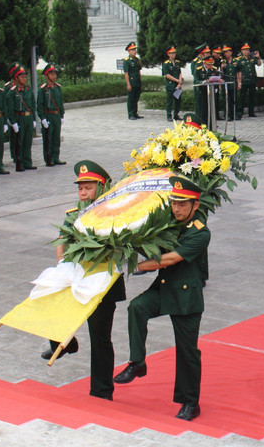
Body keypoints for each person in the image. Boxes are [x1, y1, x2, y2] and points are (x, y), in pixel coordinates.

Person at [114, 176, 210, 422]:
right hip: (165, 287)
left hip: (186, 296)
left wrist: (136, 265)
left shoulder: (201, 233)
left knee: (187, 352)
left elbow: (171, 259)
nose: (176, 208)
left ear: (195, 205)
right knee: (137, 307)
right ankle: (137, 362)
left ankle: (190, 403)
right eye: (173, 203)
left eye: (182, 204)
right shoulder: (169, 222)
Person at [43, 160, 126, 401]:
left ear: (102, 187)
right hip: (77, 276)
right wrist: (61, 264)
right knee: (50, 300)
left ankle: (101, 390)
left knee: (100, 336)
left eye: (88, 188)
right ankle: (63, 342)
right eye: (80, 188)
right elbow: (62, 239)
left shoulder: (116, 214)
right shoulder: (74, 213)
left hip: (102, 282)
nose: (83, 193)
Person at [37, 64, 65, 167]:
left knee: (56, 138)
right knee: (48, 138)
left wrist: (62, 115)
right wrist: (43, 119)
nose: (54, 76)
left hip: (56, 116)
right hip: (48, 115)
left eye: (54, 74)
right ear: (46, 75)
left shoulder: (58, 88)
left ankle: (56, 157)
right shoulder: (43, 90)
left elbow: (60, 103)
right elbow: (39, 105)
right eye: (51, 74)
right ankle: (49, 159)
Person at [237, 44, 261, 119]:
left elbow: (259, 64)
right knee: (242, 97)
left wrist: (258, 57)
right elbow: (238, 71)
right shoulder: (240, 60)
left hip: (252, 80)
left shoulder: (252, 58)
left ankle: (251, 112)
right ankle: (240, 112)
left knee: (252, 97)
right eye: (245, 50)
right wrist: (239, 82)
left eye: (248, 50)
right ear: (242, 51)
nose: (247, 51)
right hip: (244, 81)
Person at [123, 42, 143, 120]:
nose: (134, 51)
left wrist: (140, 81)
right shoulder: (127, 61)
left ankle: (135, 113)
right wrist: (128, 84)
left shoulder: (137, 60)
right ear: (129, 51)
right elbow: (126, 73)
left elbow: (139, 71)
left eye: (135, 49)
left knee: (136, 98)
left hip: (137, 81)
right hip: (131, 82)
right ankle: (130, 114)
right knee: (131, 98)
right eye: (132, 50)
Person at [162, 47, 183, 121]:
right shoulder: (166, 64)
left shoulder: (177, 62)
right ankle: (169, 115)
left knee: (178, 100)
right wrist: (177, 80)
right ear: (168, 54)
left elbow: (179, 72)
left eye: (174, 53)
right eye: (172, 53)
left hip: (178, 85)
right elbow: (167, 75)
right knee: (169, 101)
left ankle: (176, 114)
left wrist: (180, 81)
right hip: (171, 85)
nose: (174, 54)